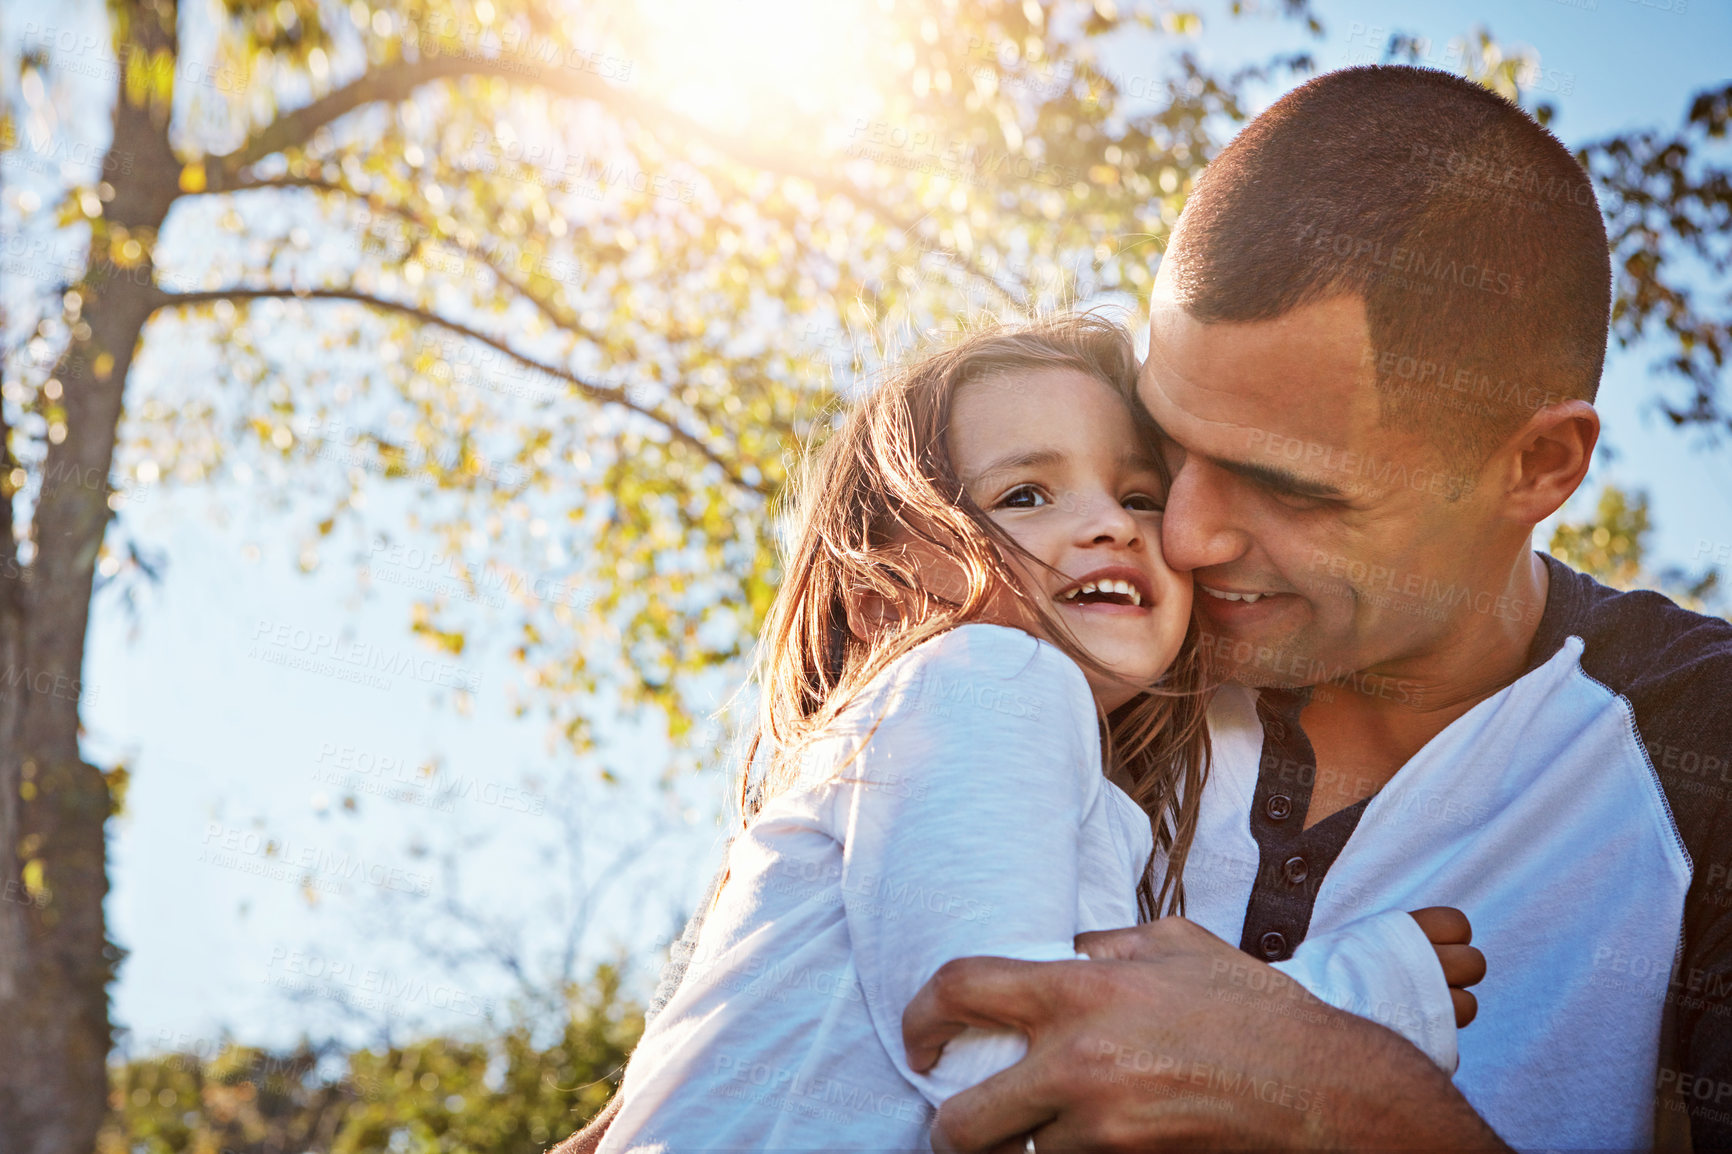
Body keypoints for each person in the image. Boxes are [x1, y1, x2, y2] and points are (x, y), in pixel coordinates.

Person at [897, 65, 1732, 1151]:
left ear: (1536, 464)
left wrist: (1346, 1103)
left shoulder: (1697, 743)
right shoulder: (1070, 641)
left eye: (1287, 484)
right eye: (1166, 450)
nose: (1186, 537)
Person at [590, 316, 1481, 1152]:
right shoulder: (985, 673)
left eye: (1139, 496)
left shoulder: (1017, 752)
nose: (1108, 525)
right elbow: (1012, 1046)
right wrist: (1350, 1000)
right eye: (1025, 495)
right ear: (884, 602)